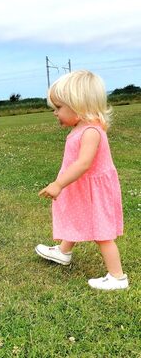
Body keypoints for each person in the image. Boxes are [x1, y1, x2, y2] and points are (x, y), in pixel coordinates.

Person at [35, 70, 128, 290]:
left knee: (102, 234)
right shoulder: (81, 128)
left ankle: (117, 277)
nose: (55, 113)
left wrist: (58, 184)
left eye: (58, 108)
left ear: (78, 106)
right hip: (83, 187)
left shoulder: (91, 132)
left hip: (94, 190)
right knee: (78, 216)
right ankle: (64, 251)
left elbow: (83, 163)